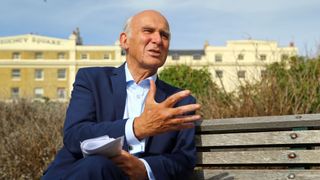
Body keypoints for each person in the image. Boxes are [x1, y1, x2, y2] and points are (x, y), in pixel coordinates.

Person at [42, 10, 201, 180]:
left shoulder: (180, 101)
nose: (157, 40)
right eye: (148, 31)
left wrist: (145, 169)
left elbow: (184, 161)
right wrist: (136, 128)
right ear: (125, 41)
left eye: (164, 35)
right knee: (97, 165)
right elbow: (75, 136)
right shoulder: (92, 80)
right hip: (85, 173)